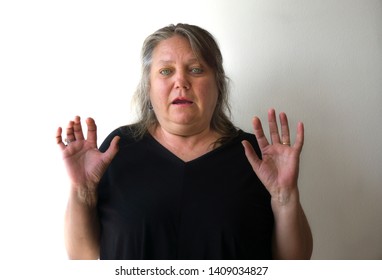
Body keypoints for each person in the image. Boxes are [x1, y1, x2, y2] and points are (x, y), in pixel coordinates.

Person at [56, 23, 313, 260]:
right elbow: (82, 257)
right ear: (148, 87)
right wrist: (82, 191)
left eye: (196, 69)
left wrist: (285, 196)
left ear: (218, 83)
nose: (181, 81)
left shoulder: (256, 156)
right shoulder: (117, 149)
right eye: (166, 71)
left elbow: (294, 262)